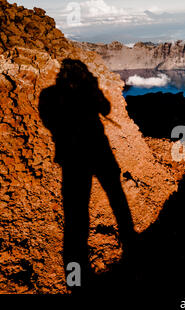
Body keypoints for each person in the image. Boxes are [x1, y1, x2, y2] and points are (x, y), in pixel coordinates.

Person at [39, 59, 135, 288]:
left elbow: (49, 122)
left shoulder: (49, 95)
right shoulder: (83, 92)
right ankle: (131, 244)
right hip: (96, 152)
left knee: (76, 215)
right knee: (116, 196)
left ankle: (76, 278)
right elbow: (106, 109)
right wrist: (92, 89)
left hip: (72, 158)